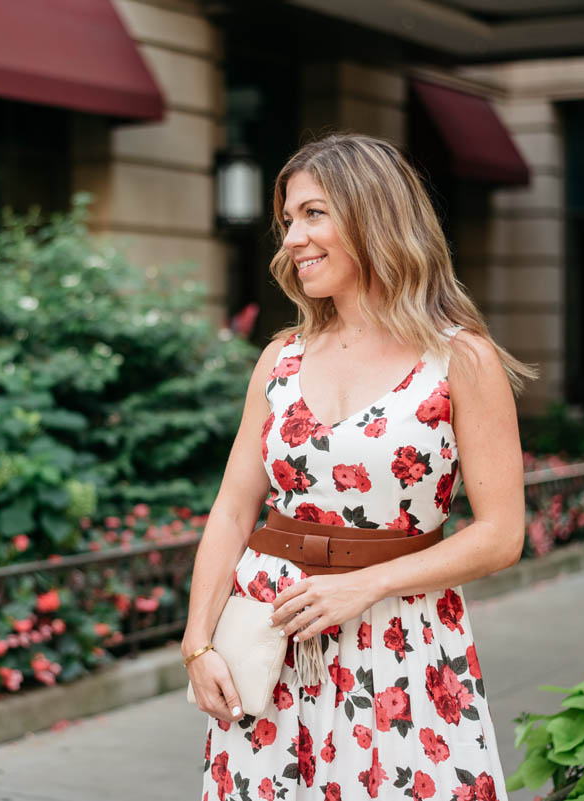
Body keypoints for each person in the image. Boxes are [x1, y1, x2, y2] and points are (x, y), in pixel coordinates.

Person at [182, 133, 535, 801]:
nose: (292, 237)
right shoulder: (280, 358)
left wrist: (363, 585)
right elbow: (232, 510)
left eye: (314, 214)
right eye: (288, 219)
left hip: (400, 642)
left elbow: (501, 534)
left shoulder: (461, 359)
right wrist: (198, 645)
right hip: (269, 641)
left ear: (374, 216)